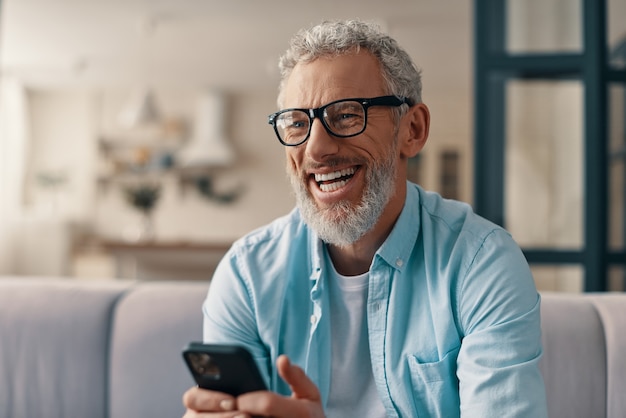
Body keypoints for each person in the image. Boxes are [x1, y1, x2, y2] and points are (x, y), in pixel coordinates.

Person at [182, 19, 548, 418]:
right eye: (298, 124)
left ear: (413, 129)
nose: (316, 149)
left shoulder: (481, 263)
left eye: (345, 115)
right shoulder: (246, 276)